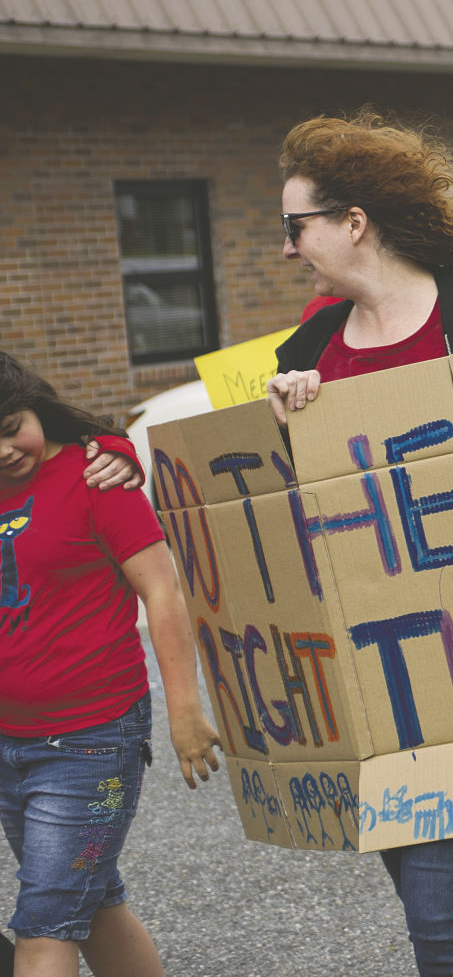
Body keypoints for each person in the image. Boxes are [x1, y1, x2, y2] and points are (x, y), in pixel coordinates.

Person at [266, 111, 453, 976]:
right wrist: (283, 429)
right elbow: (280, 521)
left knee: (441, 911)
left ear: (353, 222)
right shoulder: (307, 347)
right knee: (431, 901)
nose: (287, 250)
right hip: (372, 674)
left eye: (294, 226)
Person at [1, 353, 222, 977]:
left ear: (35, 407)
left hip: (90, 741)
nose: (4, 449)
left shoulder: (97, 477)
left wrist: (184, 711)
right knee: (91, 905)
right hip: (7, 741)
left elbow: (162, 591)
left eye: (12, 425)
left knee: (43, 927)